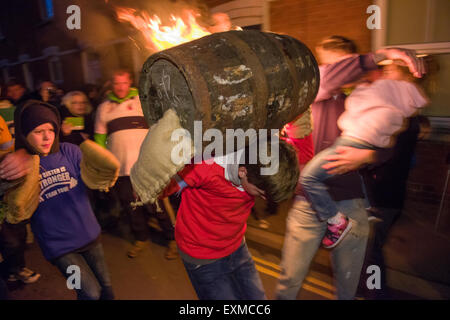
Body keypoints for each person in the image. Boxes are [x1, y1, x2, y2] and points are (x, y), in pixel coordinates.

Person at [275, 35, 424, 300]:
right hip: (307, 203)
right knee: (289, 281)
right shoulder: (313, 92)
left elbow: (389, 145)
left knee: (348, 285)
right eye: (326, 66)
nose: (329, 72)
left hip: (350, 200)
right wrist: (382, 54)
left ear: (351, 63)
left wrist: (367, 156)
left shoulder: (367, 94)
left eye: (338, 65)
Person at [300, 60, 428, 249]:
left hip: (384, 194)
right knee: (368, 254)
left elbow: (394, 153)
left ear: (407, 75)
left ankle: (337, 223)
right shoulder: (398, 104)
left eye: (390, 70)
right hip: (379, 196)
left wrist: (366, 156)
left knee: (308, 178)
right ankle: (365, 211)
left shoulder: (391, 101)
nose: (383, 72)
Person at [161, 137, 299, 300]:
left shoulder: (260, 156)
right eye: (261, 193)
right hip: (202, 256)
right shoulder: (204, 165)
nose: (263, 199)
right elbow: (158, 187)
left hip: (237, 247)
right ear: (243, 172)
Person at [12, 100, 115, 300]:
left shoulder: (70, 151)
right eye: (37, 131)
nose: (46, 136)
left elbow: (94, 175)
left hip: (90, 236)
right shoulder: (23, 166)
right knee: (89, 293)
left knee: (107, 290)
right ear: (25, 135)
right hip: (59, 249)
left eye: (50, 129)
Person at [94, 70, 177, 259]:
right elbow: (99, 138)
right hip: (120, 169)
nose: (120, 87)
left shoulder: (142, 100)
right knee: (131, 206)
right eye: (116, 83)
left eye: (124, 83)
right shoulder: (104, 108)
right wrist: (104, 164)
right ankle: (141, 238)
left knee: (157, 205)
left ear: (129, 82)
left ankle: (172, 239)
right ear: (111, 84)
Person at [0, 115, 41, 285]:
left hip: (4, 189)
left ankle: (14, 270)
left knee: (16, 234)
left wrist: (21, 153)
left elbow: (9, 148)